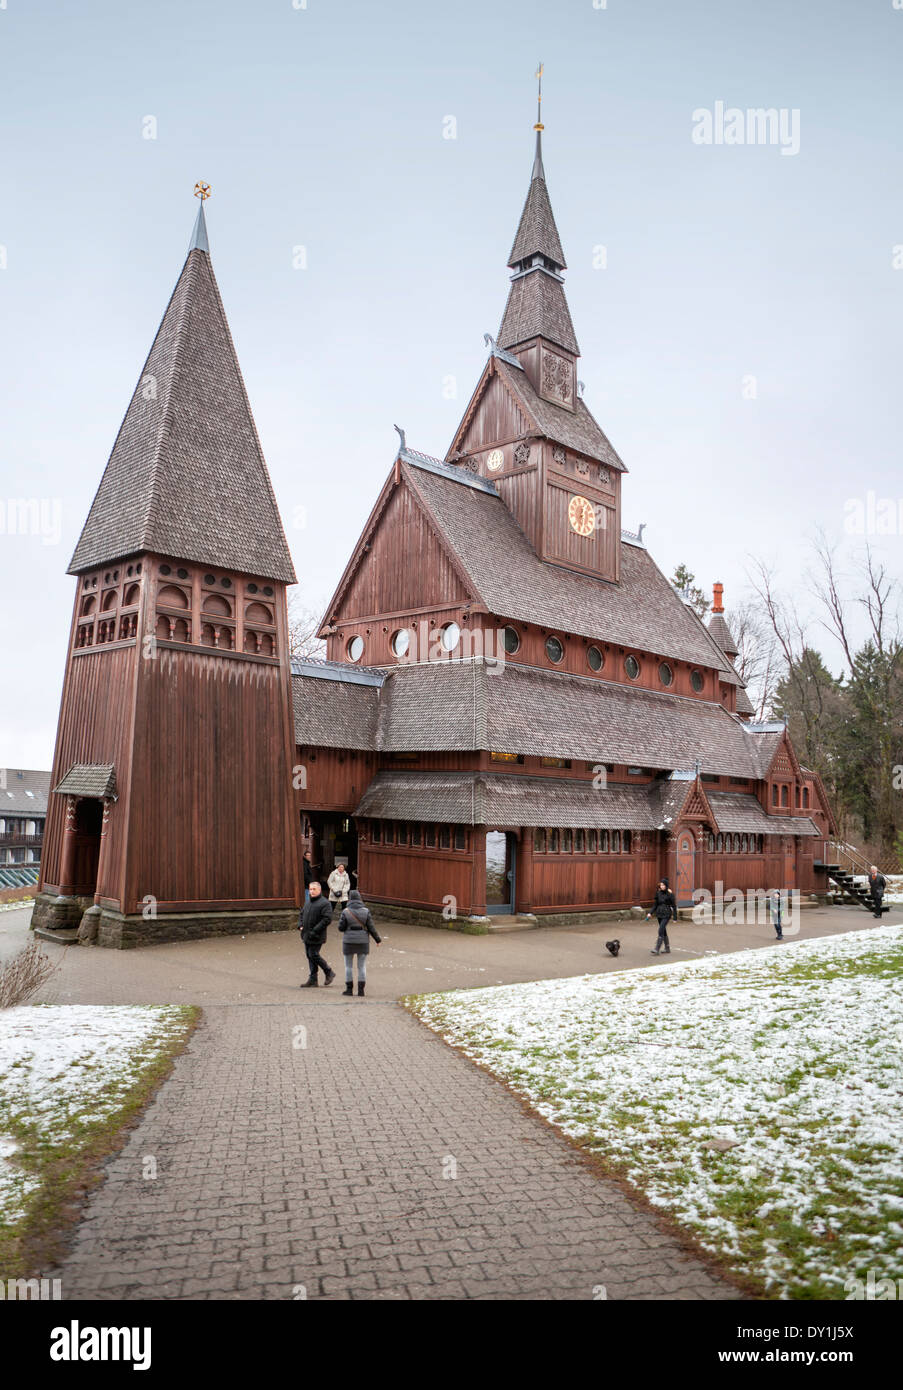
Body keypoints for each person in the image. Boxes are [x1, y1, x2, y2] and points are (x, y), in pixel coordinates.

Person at [337, 888, 381, 996]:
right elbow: (371, 927)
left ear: (349, 899)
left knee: (348, 966)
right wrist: (377, 939)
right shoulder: (366, 911)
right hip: (363, 941)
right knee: (362, 966)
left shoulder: (345, 911)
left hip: (348, 941)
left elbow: (340, 928)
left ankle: (349, 990)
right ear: (359, 898)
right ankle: (361, 991)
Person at [298, 881, 335, 987]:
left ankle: (329, 972)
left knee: (313, 954)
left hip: (317, 935)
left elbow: (327, 919)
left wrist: (314, 931)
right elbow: (301, 914)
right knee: (309, 956)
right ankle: (313, 979)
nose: (312, 891)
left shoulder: (325, 903)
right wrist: (300, 924)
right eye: (310, 889)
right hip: (306, 934)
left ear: (319, 890)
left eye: (314, 889)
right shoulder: (308, 901)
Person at [646, 878, 677, 955]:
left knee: (660, 930)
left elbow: (674, 906)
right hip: (659, 914)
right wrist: (650, 913)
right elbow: (655, 905)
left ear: (666, 885)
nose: (662, 886)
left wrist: (675, 917)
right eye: (661, 885)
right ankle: (667, 948)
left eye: (663, 885)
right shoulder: (658, 893)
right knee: (663, 930)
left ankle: (657, 948)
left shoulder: (670, 895)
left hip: (667, 914)